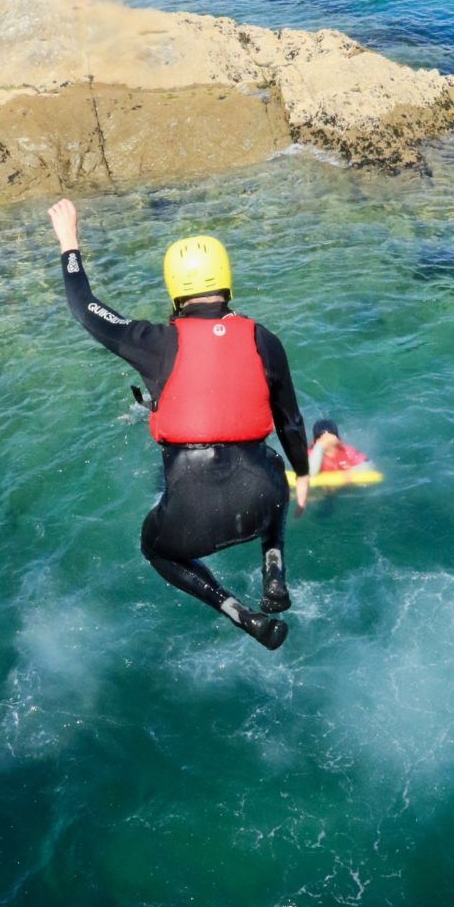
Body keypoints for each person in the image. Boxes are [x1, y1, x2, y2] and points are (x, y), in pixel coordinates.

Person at [48, 199, 310, 650]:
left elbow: (84, 306)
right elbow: (289, 418)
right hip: (262, 496)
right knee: (274, 470)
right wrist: (303, 475)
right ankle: (273, 564)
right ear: (226, 282)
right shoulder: (263, 339)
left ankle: (236, 611)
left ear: (175, 289)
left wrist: (69, 241)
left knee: (155, 547)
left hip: (192, 517)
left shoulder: (155, 343)